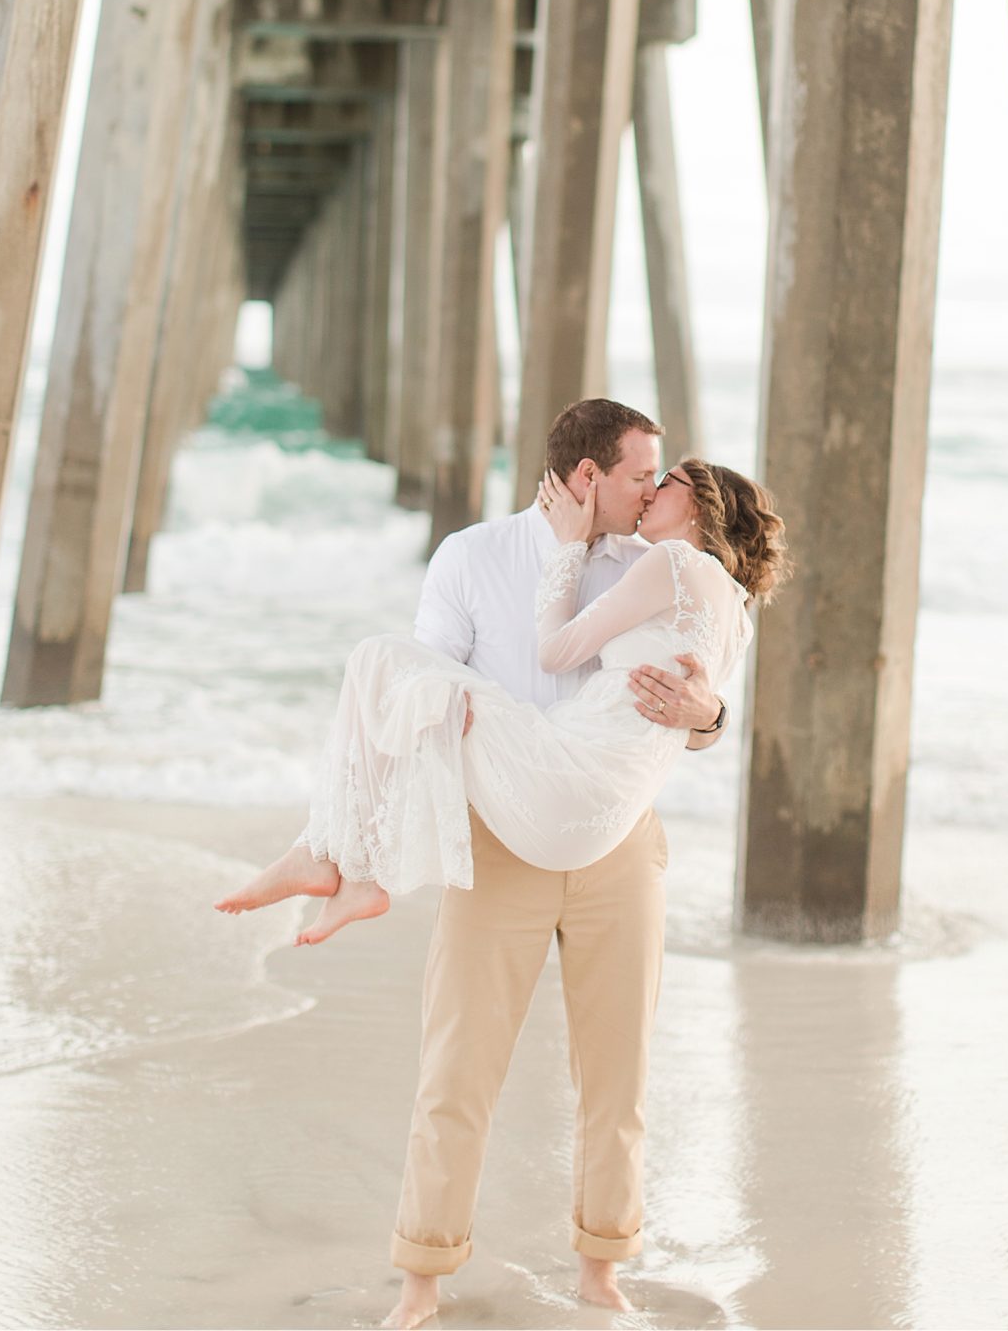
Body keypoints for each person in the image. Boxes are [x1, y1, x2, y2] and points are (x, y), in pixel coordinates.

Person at [217, 398, 787, 1326]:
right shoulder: (473, 556)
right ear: (589, 475)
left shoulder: (661, 562)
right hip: (503, 841)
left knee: (619, 1078)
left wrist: (708, 719)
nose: (653, 486)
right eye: (641, 472)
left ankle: (604, 1271)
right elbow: (428, 690)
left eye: (662, 477)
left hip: (621, 843)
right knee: (458, 1071)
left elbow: (698, 702)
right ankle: (421, 1282)